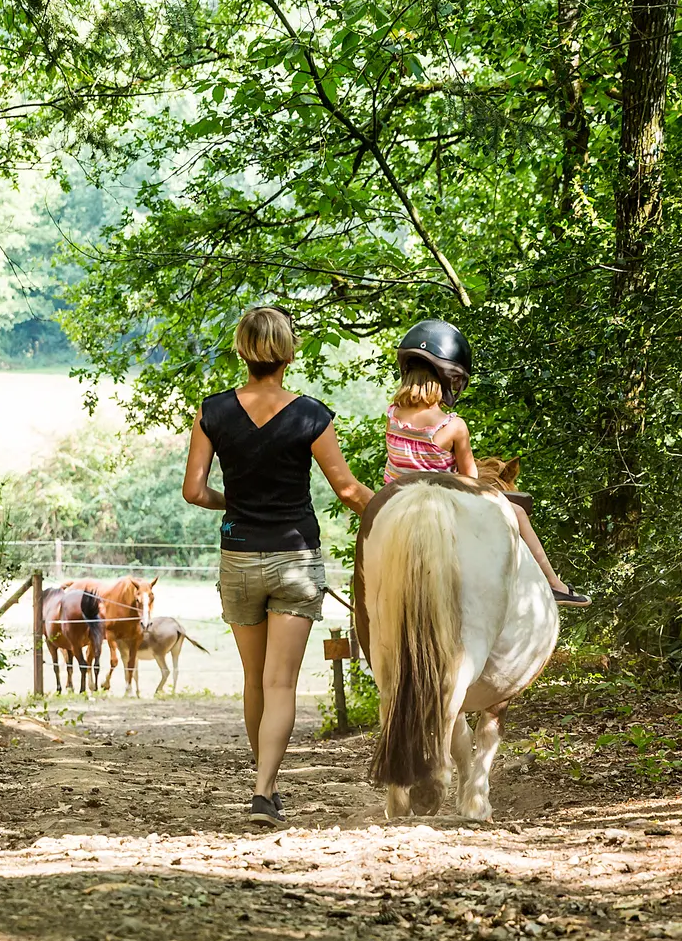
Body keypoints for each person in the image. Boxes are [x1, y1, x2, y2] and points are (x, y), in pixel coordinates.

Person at [183, 306, 373, 827]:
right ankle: (265, 789)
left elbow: (194, 491)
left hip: (240, 555)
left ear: (242, 351)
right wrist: (397, 512)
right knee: (281, 684)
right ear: (288, 353)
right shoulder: (312, 415)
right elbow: (350, 491)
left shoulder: (213, 411)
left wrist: (235, 502)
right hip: (295, 557)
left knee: (253, 679)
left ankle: (261, 777)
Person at [386, 319, 589, 607]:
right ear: (448, 379)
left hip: (397, 504)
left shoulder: (392, 414)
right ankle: (553, 584)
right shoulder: (453, 426)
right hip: (440, 507)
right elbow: (471, 481)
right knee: (517, 512)